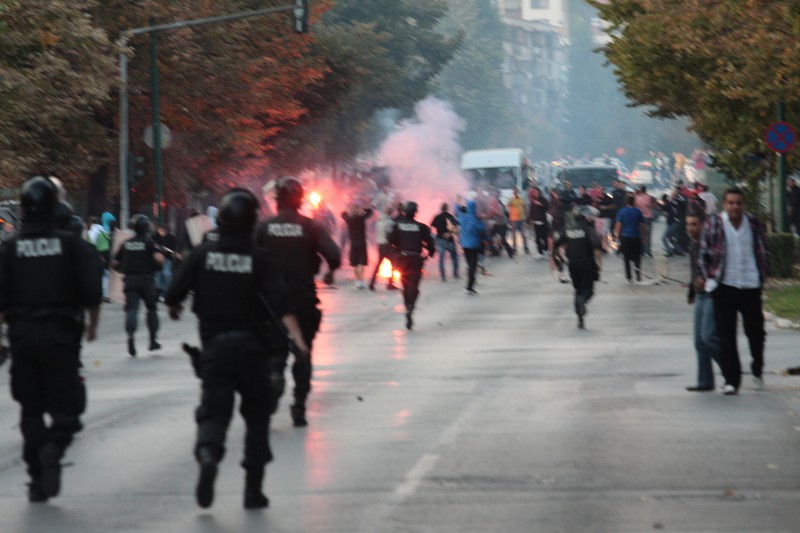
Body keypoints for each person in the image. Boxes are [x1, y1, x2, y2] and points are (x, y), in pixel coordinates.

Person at [166, 188, 309, 509]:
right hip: (252, 349)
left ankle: (208, 453)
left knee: (214, 412)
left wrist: (174, 307)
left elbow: (174, 292)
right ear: (251, 221)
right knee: (257, 417)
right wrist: (298, 340)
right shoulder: (259, 259)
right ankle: (252, 490)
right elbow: (282, 304)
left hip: (215, 348)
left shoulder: (203, 254)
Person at [0, 176, 101, 502]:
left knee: (30, 410)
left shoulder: (10, 248)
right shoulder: (72, 245)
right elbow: (91, 292)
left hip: (23, 337)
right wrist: (92, 326)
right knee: (66, 411)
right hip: (61, 337)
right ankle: (54, 446)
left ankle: (35, 478)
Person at [256, 177, 340, 427]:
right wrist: (330, 271)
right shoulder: (311, 226)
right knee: (303, 354)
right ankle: (299, 408)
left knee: (275, 352)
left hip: (270, 303)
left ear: (277, 201)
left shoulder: (263, 228)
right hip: (302, 299)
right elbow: (334, 254)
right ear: (300, 201)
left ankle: (274, 377)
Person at [699, 188, 770, 395]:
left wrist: (764, 274)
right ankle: (732, 380)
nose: (735, 207)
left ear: (744, 204)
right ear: (724, 204)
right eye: (731, 203)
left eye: (738, 203)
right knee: (726, 336)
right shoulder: (714, 223)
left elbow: (763, 249)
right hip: (724, 286)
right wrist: (710, 280)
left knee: (756, 333)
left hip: (750, 285)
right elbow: (704, 253)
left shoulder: (754, 223)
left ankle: (757, 370)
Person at [112, 214, 164, 357]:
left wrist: (123, 269)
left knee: (132, 310)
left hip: (130, 281)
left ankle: (130, 338)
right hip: (146, 281)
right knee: (151, 309)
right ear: (146, 227)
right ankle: (153, 341)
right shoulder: (150, 242)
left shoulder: (126, 243)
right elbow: (159, 259)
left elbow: (115, 264)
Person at [685, 208, 720, 392]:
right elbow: (694, 272)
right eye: (688, 224)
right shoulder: (693, 244)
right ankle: (705, 381)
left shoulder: (711, 244)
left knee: (709, 337)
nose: (690, 228)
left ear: (703, 224)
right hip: (699, 295)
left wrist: (707, 279)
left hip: (712, 294)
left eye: (694, 224)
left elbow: (719, 267)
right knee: (699, 342)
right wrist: (691, 291)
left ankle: (731, 369)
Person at [388, 201, 435, 330]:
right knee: (414, 288)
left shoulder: (398, 226)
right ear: (415, 213)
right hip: (415, 259)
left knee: (405, 286)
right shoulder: (421, 227)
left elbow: (390, 240)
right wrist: (429, 254)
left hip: (402, 259)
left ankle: (407, 306)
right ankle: (410, 309)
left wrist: (397, 252)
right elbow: (430, 245)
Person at [555, 206, 602, 329]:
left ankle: (580, 318)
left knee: (577, 290)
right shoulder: (587, 229)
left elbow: (556, 243)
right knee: (589, 291)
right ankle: (583, 301)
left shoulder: (568, 229)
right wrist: (599, 264)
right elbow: (596, 244)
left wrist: (560, 259)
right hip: (587, 263)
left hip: (573, 264)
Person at [457, 200, 487, 295]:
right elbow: (482, 231)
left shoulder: (462, 217)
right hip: (474, 245)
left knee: (470, 265)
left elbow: (457, 209)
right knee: (472, 267)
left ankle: (470, 285)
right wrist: (488, 240)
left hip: (465, 246)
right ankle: (469, 287)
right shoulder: (476, 219)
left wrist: (459, 204)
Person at [614, 195, 645, 284]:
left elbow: (618, 224)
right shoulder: (638, 211)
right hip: (636, 236)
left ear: (626, 202)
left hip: (625, 237)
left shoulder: (622, 211)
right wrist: (643, 236)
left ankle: (629, 277)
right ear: (634, 202)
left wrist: (616, 235)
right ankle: (637, 272)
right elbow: (642, 226)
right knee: (637, 256)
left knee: (626, 257)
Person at [342, 202, 373, 289]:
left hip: (353, 242)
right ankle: (360, 281)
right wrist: (362, 210)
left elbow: (343, 214)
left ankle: (358, 281)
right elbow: (370, 211)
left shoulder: (349, 219)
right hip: (361, 242)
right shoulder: (361, 217)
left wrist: (350, 212)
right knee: (361, 262)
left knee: (355, 263)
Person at [368, 205, 399, 290]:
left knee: (378, 265)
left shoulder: (378, 220)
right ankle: (390, 284)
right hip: (387, 246)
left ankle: (372, 283)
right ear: (391, 213)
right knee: (394, 264)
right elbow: (390, 234)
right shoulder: (390, 222)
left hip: (380, 244)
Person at [430, 202, 460, 281]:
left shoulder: (437, 217)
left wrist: (436, 234)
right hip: (449, 240)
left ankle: (443, 276)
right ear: (447, 208)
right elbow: (456, 227)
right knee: (454, 257)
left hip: (440, 240)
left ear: (441, 208)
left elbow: (432, 226)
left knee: (441, 259)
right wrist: (451, 233)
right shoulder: (450, 216)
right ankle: (455, 273)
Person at [153, 224, 177, 301]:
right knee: (158, 276)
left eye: (164, 231)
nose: (162, 232)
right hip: (157, 259)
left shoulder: (170, 237)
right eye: (160, 230)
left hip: (167, 258)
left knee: (167, 275)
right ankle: (159, 293)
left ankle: (165, 293)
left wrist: (169, 250)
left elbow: (174, 247)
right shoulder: (154, 237)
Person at [527, 187, 549, 258]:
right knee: (537, 238)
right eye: (533, 192)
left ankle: (546, 250)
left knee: (544, 237)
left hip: (543, 221)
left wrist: (540, 204)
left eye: (536, 191)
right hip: (536, 222)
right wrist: (528, 221)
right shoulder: (532, 201)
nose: (535, 193)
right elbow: (531, 212)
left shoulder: (542, 199)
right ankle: (540, 252)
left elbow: (547, 207)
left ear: (538, 192)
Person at [633, 185, 655, 257]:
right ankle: (648, 250)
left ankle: (641, 250)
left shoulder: (637, 197)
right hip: (648, 217)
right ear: (646, 190)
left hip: (639, 217)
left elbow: (635, 206)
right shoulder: (648, 197)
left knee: (641, 234)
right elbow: (649, 205)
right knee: (648, 234)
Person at [507, 187, 529, 254]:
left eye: (516, 191)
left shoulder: (521, 199)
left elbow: (525, 208)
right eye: (514, 192)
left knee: (523, 234)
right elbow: (507, 207)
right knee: (514, 235)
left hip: (521, 219)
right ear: (513, 192)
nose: (516, 193)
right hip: (514, 220)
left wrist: (526, 218)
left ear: (518, 192)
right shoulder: (511, 200)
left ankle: (525, 248)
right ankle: (514, 248)